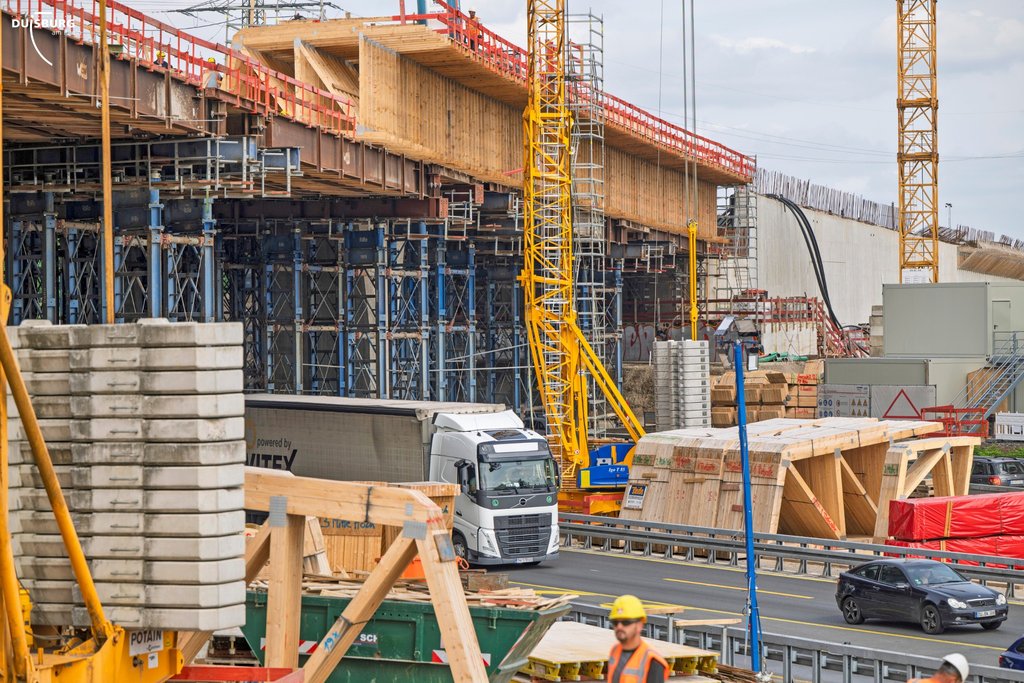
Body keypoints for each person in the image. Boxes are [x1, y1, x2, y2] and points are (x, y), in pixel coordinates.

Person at [607, 595, 668, 682]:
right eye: (615, 622)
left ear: (640, 625)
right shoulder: (615, 651)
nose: (619, 626)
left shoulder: (652, 661)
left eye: (626, 622)